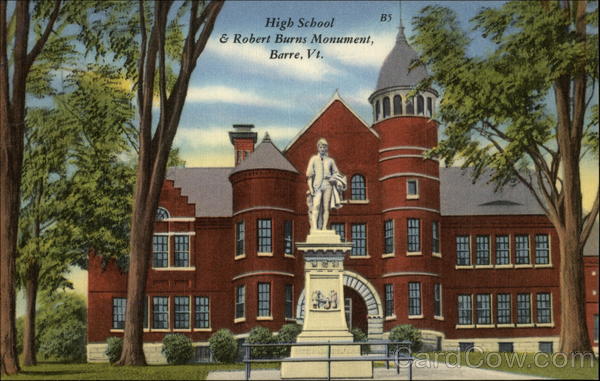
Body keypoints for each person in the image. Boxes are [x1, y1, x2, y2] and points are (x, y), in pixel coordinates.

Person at [306, 138, 346, 231]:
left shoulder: (330, 161)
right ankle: (315, 227)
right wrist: (311, 189)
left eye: (324, 147)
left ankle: (324, 227)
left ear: (326, 148)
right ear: (318, 148)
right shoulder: (314, 159)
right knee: (316, 206)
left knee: (326, 207)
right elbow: (309, 176)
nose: (322, 149)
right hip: (317, 186)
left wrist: (333, 178)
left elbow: (336, 173)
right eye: (321, 147)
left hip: (327, 184)